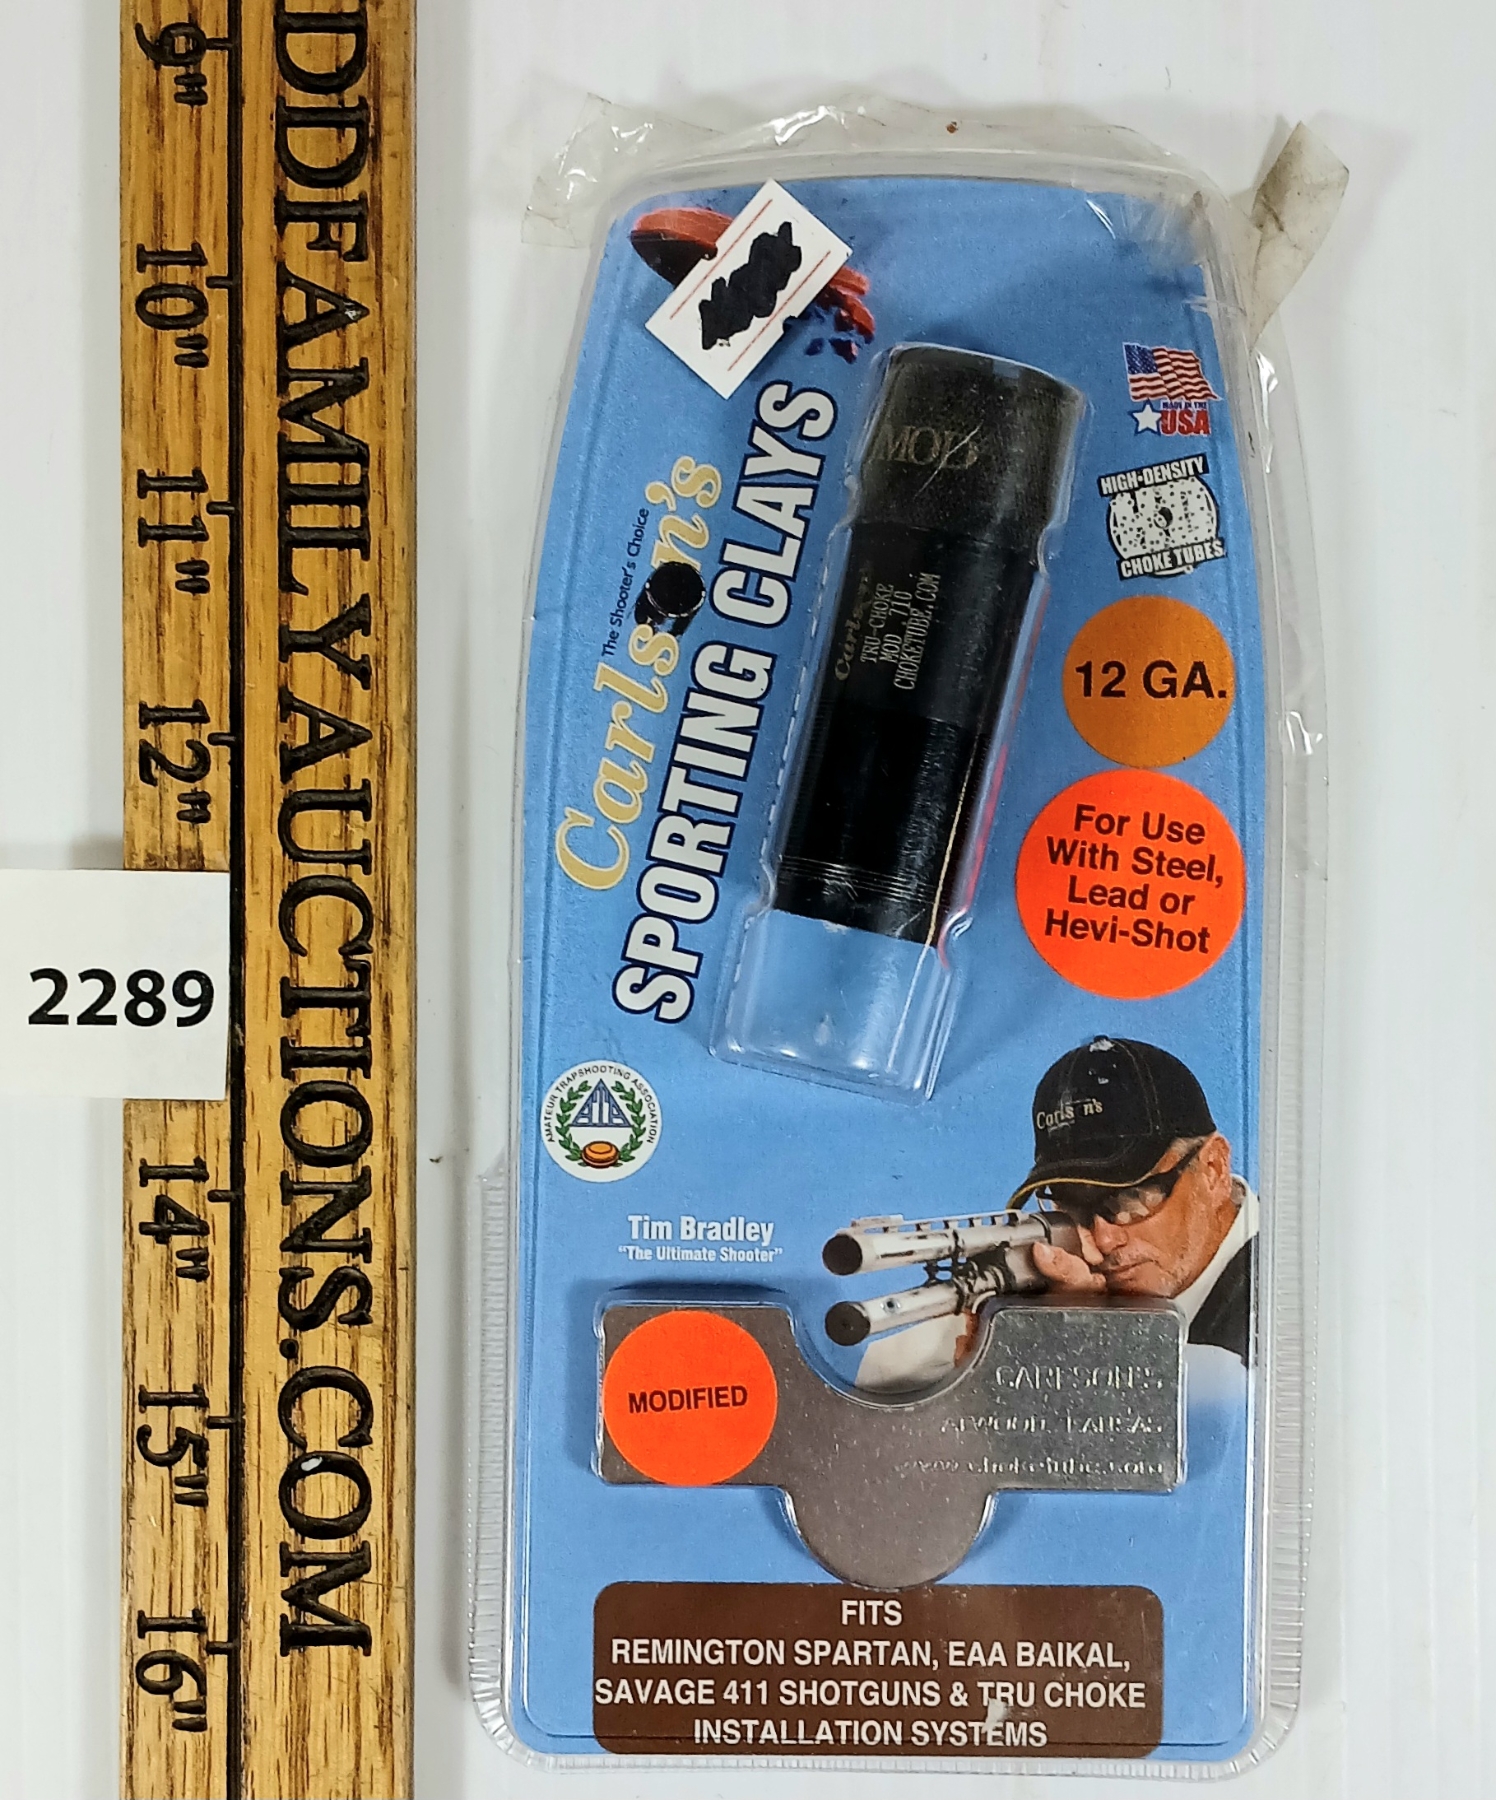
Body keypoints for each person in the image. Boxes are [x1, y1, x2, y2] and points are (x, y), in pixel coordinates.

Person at [854, 1035, 1256, 1393]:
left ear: (1213, 1168)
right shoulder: (1086, 1276)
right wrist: (999, 1329)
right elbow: (879, 1372)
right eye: (1073, 1207)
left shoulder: (1277, 1294)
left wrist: (1081, 1352)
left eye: (1132, 1200)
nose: (1102, 1240)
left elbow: (1224, 1395)